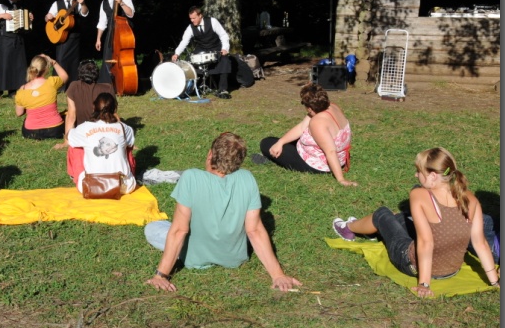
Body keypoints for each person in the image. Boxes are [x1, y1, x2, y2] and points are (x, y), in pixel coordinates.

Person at [144, 132, 302, 293]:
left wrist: (161, 275)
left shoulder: (191, 177)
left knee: (153, 227)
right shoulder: (247, 178)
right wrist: (278, 275)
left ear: (210, 154)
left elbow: (179, 230)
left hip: (195, 256)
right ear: (239, 161)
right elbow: (254, 230)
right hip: (233, 257)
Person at [332, 147, 500, 297]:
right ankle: (375, 230)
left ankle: (347, 228)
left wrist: (424, 284)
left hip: (412, 264)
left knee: (382, 214)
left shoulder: (419, 195)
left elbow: (426, 242)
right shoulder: (470, 199)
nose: (416, 175)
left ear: (433, 176)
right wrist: (494, 281)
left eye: (419, 171)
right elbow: (480, 244)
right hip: (452, 270)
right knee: (402, 219)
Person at [255, 82, 356, 187]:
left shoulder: (318, 122)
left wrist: (341, 179)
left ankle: (268, 157)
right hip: (340, 158)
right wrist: (281, 142)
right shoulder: (332, 107)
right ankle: (281, 145)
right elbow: (301, 127)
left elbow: (330, 151)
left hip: (318, 164)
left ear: (310, 108)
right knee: (280, 142)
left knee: (266, 143)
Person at [67, 92, 136, 194]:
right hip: (123, 186)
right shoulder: (124, 128)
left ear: (94, 107)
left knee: (75, 146)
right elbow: (130, 145)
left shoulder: (85, 128)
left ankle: (76, 176)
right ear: (115, 109)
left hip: (90, 187)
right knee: (127, 146)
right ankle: (127, 174)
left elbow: (69, 137)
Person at [172, 6, 232, 99]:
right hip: (201, 49)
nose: (192, 20)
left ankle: (223, 89)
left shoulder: (212, 21)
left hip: (215, 47)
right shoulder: (190, 28)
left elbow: (223, 35)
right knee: (188, 62)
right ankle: (189, 88)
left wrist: (225, 49)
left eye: (194, 18)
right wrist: (177, 53)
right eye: (190, 18)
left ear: (200, 15)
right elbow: (184, 41)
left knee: (225, 60)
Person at [0, 0, 33, 97]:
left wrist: (29, 18)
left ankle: (14, 90)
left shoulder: (21, 6)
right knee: (5, 64)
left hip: (18, 38)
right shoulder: (2, 6)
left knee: (18, 64)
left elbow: (26, 23)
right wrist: (2, 15)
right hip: (6, 39)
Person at [44, 0, 89, 90]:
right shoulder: (57, 4)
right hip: (61, 37)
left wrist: (83, 4)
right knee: (61, 60)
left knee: (74, 62)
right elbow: (48, 18)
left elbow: (84, 13)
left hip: (74, 37)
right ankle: (60, 85)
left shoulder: (77, 2)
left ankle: (73, 85)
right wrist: (48, 16)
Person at [14, 54, 67, 140]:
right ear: (46, 69)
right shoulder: (51, 82)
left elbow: (19, 113)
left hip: (31, 132)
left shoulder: (22, 90)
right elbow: (65, 76)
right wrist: (54, 62)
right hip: (55, 130)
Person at [94, 0, 135, 85]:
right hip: (111, 33)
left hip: (124, 33)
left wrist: (121, 2)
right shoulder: (104, 2)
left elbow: (131, 14)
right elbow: (102, 22)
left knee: (124, 58)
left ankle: (125, 81)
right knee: (108, 58)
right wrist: (98, 39)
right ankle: (107, 83)